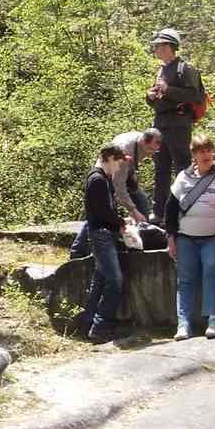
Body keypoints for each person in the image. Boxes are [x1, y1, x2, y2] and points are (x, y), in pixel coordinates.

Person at [164, 134, 215, 341]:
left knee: (213, 271)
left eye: (209, 150)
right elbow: (171, 209)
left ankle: (214, 319)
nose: (207, 154)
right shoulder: (183, 177)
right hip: (186, 237)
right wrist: (171, 238)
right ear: (194, 154)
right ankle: (184, 324)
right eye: (202, 151)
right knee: (186, 280)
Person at [69, 128, 162, 259]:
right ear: (143, 141)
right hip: (108, 172)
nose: (151, 154)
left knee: (141, 201)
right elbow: (119, 188)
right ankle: (78, 250)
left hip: (125, 174)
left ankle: (139, 242)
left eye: (155, 151)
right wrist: (132, 210)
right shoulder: (125, 152)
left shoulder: (139, 139)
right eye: (150, 150)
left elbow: (130, 171)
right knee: (100, 212)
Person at [146, 28, 205, 226]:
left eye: (159, 46)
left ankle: (184, 210)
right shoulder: (161, 69)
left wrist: (167, 90)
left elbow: (195, 96)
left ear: (170, 47)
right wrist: (150, 96)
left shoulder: (185, 69)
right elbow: (159, 100)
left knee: (182, 167)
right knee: (160, 168)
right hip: (160, 124)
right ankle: (159, 212)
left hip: (178, 124)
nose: (156, 50)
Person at [83, 143, 129, 344]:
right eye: (117, 162)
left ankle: (88, 323)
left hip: (103, 233)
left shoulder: (102, 179)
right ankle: (100, 326)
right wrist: (120, 222)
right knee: (115, 281)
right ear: (109, 158)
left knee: (100, 280)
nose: (118, 167)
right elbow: (102, 211)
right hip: (101, 234)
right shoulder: (97, 180)